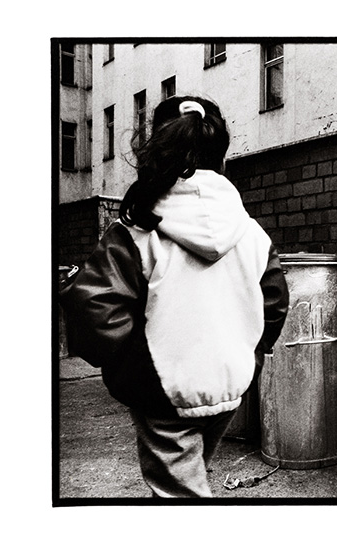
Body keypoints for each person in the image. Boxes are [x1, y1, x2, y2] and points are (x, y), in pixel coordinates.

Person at [59, 95, 289, 498]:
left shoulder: (136, 232)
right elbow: (274, 303)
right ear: (222, 157)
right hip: (229, 385)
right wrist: (246, 356)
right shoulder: (252, 233)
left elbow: (96, 309)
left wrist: (136, 366)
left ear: (154, 153)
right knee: (189, 480)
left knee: (180, 495)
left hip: (163, 392)